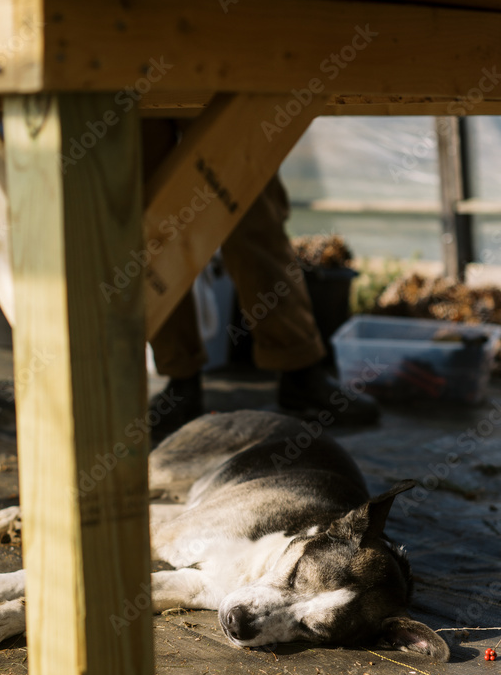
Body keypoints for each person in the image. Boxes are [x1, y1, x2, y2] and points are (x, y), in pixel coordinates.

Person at [143, 123, 379, 442]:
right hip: (134, 85)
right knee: (150, 223)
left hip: (215, 78)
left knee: (255, 213)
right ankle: (179, 379)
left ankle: (299, 369)